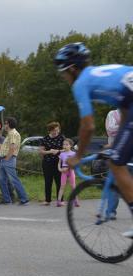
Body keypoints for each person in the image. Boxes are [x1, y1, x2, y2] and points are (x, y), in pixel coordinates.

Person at [54, 42, 133, 238]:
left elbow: (88, 126)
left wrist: (78, 156)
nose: (64, 77)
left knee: (116, 164)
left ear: (72, 69)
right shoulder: (99, 74)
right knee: (120, 157)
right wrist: (117, 144)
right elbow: (124, 109)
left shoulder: (81, 83)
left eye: (63, 73)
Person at [0, 117, 29, 205]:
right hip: (4, 159)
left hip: (8, 159)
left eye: (6, 123)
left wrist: (7, 158)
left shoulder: (13, 133)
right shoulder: (10, 133)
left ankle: (24, 199)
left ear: (10, 124)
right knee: (1, 180)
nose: (4, 125)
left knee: (14, 179)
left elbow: (13, 147)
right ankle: (7, 200)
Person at [38, 122, 65, 205]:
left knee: (59, 182)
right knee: (48, 181)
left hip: (59, 162)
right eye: (54, 130)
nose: (56, 132)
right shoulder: (45, 139)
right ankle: (47, 200)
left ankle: (60, 200)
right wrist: (49, 151)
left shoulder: (62, 138)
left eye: (57, 130)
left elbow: (66, 149)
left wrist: (58, 151)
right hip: (47, 163)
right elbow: (41, 151)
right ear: (49, 131)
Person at [56, 138, 79, 207]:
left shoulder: (73, 153)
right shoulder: (62, 154)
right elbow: (59, 163)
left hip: (71, 171)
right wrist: (60, 169)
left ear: (70, 145)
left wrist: (68, 167)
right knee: (62, 186)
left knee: (73, 186)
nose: (65, 146)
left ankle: (76, 201)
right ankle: (59, 201)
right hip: (64, 172)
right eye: (64, 144)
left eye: (67, 144)